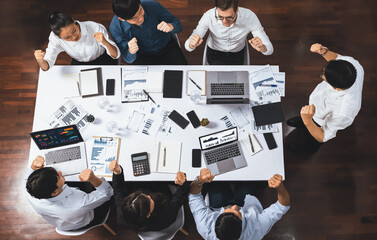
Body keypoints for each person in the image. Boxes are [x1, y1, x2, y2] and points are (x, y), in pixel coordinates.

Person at [286, 43, 364, 153]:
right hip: (316, 109)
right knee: (307, 119)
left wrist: (308, 120)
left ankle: (307, 149)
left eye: (323, 76)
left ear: (334, 86)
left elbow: (323, 136)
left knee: (312, 140)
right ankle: (303, 122)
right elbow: (337, 58)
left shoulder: (343, 111)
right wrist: (324, 52)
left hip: (321, 122)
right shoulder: (352, 65)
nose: (322, 75)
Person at [189, 168, 290, 240]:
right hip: (247, 204)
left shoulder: (205, 226)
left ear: (215, 222)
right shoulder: (257, 229)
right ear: (242, 230)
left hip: (218, 205)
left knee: (217, 179)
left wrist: (199, 180)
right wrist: (280, 187)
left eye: (225, 212)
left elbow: (193, 195)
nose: (235, 206)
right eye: (239, 213)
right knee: (246, 180)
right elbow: (283, 206)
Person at [25, 156, 114, 231]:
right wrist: (92, 178)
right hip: (87, 218)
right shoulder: (78, 204)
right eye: (58, 176)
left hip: (64, 221)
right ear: (54, 192)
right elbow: (108, 193)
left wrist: (33, 167)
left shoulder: (30, 191)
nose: (60, 172)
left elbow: (27, 179)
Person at [185, 0, 273, 65]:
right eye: (220, 17)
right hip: (215, 52)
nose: (224, 22)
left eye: (229, 17)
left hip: (237, 53)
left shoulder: (250, 16)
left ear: (237, 10)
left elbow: (270, 49)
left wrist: (262, 48)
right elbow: (187, 46)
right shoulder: (209, 16)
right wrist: (191, 45)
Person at [109, 160, 189, 231]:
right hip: (162, 194)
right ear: (148, 214)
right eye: (148, 199)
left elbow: (118, 191)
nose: (148, 196)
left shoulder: (122, 214)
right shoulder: (167, 215)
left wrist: (117, 172)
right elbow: (180, 196)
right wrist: (182, 183)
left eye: (141, 195)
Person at [34, 12, 120, 71]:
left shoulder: (95, 27)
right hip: (80, 63)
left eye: (74, 31)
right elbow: (46, 66)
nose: (74, 37)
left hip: (103, 59)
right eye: (67, 37)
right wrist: (41, 61)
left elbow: (116, 55)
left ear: (74, 21)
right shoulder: (54, 38)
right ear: (59, 37)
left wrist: (105, 42)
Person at [109, 0, 187, 65]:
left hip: (167, 47)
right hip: (142, 55)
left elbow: (179, 25)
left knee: (184, 76)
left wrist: (171, 26)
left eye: (140, 11)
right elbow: (128, 58)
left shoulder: (152, 5)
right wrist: (131, 51)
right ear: (122, 19)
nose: (141, 19)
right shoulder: (115, 28)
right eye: (134, 18)